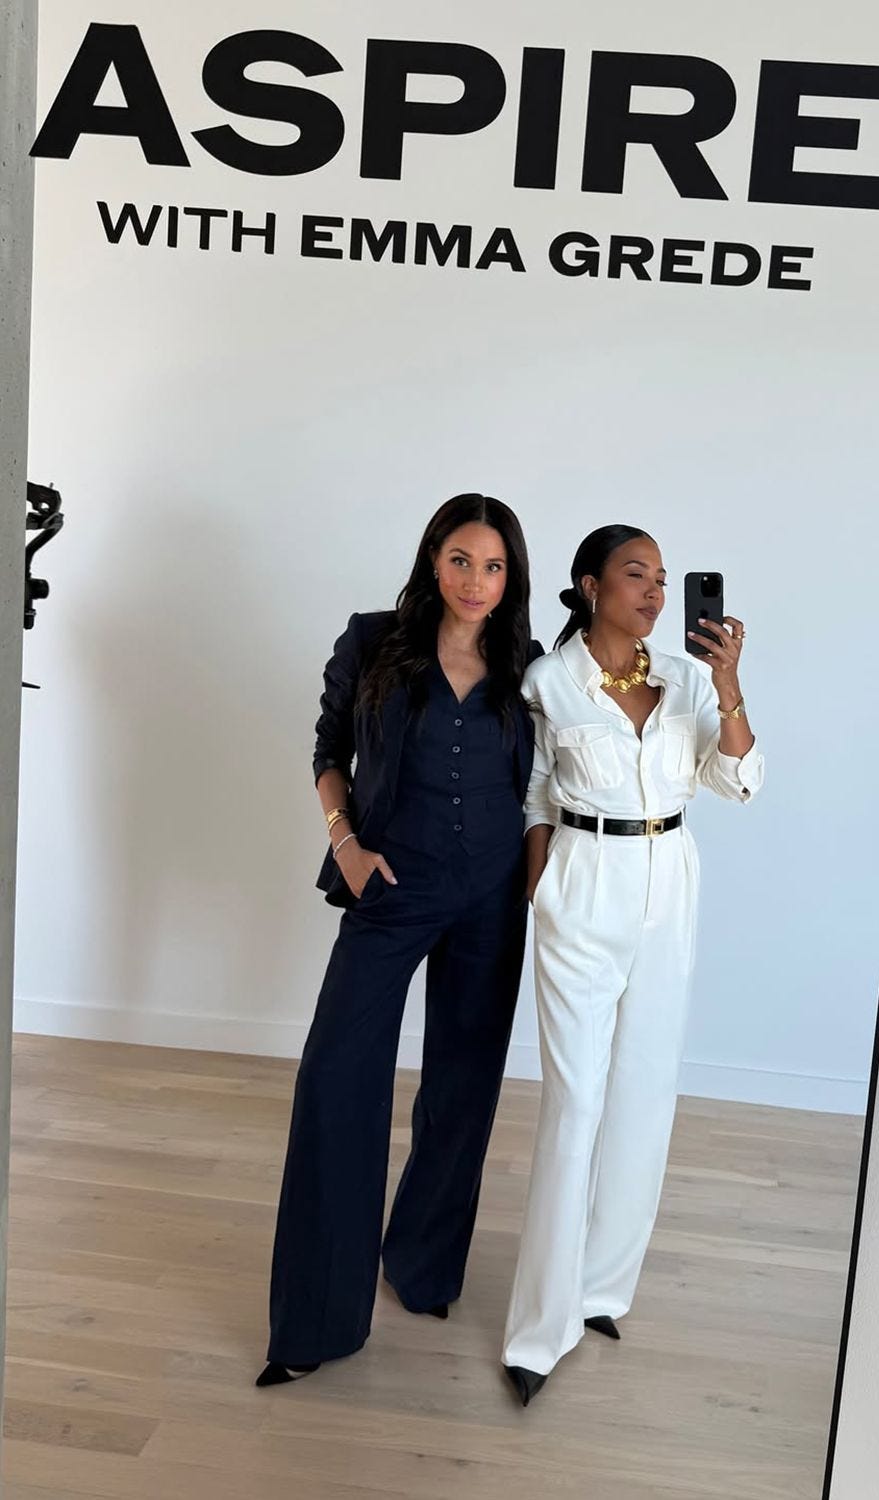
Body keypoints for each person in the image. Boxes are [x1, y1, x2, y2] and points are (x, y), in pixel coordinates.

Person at [257, 493, 542, 1387]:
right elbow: (328, 750)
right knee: (337, 1079)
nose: (475, 581)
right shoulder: (373, 640)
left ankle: (422, 1267)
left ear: (511, 578)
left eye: (493, 566)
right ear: (432, 559)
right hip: (389, 886)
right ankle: (314, 1324)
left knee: (463, 1088)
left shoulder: (529, 663)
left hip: (492, 897)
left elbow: (552, 779)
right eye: (461, 560)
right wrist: (345, 844)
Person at [501, 524, 763, 1405]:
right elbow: (535, 786)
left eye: (661, 577)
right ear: (589, 585)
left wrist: (728, 685)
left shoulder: (688, 677)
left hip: (669, 883)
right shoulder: (548, 681)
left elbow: (740, 782)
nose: (653, 592)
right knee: (575, 1101)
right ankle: (538, 1332)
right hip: (584, 882)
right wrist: (542, 880)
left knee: (646, 1091)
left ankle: (600, 1291)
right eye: (634, 574)